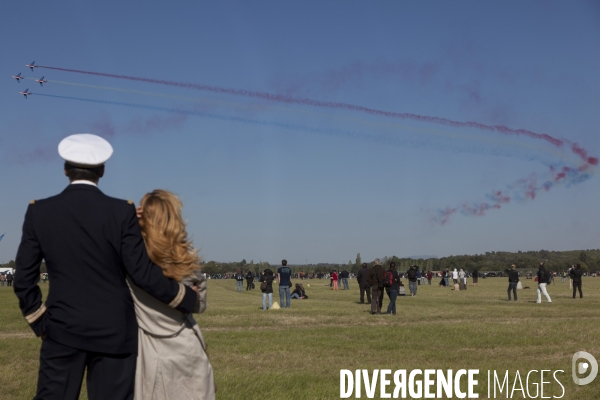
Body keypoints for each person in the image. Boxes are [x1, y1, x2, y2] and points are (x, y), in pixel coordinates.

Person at [13, 134, 198, 400]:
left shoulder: (39, 212)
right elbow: (142, 274)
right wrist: (188, 297)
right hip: (116, 333)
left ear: (65, 169)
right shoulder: (121, 212)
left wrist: (40, 322)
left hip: (61, 331)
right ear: (102, 170)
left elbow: (23, 279)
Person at [130, 190, 215, 399]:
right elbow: (200, 304)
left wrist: (129, 224)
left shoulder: (132, 257)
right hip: (187, 345)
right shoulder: (183, 255)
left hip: (151, 351)